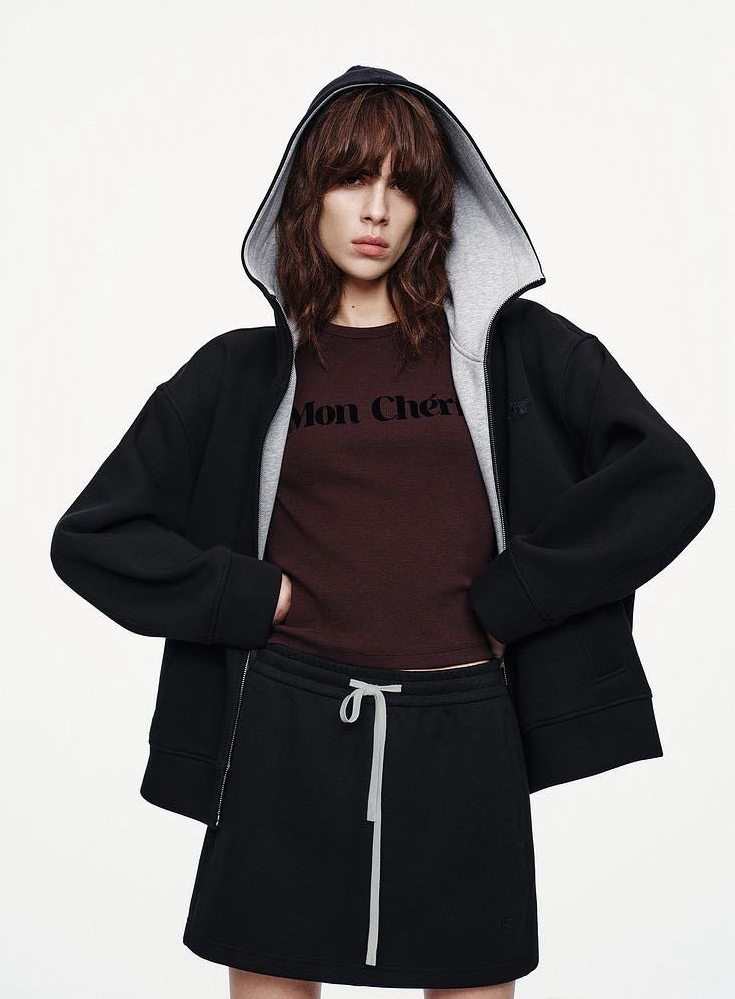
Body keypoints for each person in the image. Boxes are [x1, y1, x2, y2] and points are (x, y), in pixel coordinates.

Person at [49, 65, 716, 998]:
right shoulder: (237, 373)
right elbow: (91, 536)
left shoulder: (514, 350)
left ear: (430, 208)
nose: (376, 209)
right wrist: (248, 595)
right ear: (307, 196)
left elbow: (671, 483)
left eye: (403, 185)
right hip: (285, 724)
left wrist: (518, 595)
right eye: (353, 178)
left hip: (467, 723)